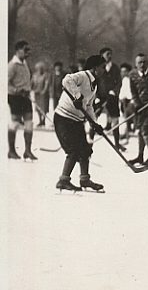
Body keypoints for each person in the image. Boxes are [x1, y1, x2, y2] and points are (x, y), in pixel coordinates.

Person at [53, 54, 108, 192]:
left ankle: (85, 179)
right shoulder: (83, 76)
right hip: (63, 119)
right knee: (73, 150)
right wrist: (77, 95)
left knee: (85, 150)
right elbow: (66, 80)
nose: (104, 70)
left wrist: (94, 123)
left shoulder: (94, 84)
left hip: (76, 120)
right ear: (95, 68)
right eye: (102, 67)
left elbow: (88, 105)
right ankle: (63, 180)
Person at [8, 40, 36, 160]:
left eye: (28, 50)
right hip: (15, 97)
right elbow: (5, 83)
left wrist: (29, 88)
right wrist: (16, 90)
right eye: (25, 50)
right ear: (18, 50)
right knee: (15, 123)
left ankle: (28, 151)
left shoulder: (24, 63)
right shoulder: (12, 65)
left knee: (29, 123)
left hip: (25, 97)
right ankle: (11, 151)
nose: (27, 52)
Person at [94, 47, 123, 150]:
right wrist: (96, 96)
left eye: (111, 54)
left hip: (112, 97)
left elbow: (119, 82)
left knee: (115, 119)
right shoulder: (98, 67)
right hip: (100, 97)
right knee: (93, 117)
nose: (110, 56)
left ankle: (117, 143)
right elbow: (94, 82)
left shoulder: (115, 68)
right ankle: (89, 141)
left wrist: (114, 91)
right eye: (107, 54)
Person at [118, 63, 134, 142]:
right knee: (125, 117)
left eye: (125, 71)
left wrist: (127, 98)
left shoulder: (131, 80)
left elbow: (130, 92)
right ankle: (126, 132)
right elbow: (122, 91)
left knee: (128, 116)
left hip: (130, 101)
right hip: (123, 101)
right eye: (122, 72)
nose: (123, 73)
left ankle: (127, 134)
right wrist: (121, 98)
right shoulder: (124, 80)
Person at [31, 61, 50, 127]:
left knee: (44, 107)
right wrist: (31, 89)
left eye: (41, 68)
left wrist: (44, 91)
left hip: (43, 94)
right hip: (37, 93)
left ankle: (43, 120)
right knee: (38, 107)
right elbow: (32, 83)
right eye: (38, 68)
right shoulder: (34, 75)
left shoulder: (45, 75)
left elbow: (46, 84)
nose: (40, 69)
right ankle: (40, 120)